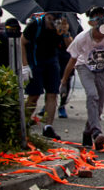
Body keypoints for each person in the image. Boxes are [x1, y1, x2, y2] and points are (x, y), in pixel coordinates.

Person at [61, 6, 104, 150]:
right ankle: (97, 133)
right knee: (92, 95)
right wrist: (64, 81)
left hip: (103, 69)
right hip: (85, 66)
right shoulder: (83, 38)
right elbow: (72, 60)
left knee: (99, 106)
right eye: (97, 19)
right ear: (91, 23)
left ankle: (87, 132)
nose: (101, 22)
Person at [20, 12, 73, 141]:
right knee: (34, 95)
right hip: (35, 61)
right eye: (51, 19)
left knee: (52, 94)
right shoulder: (35, 25)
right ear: (47, 16)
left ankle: (48, 126)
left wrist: (65, 32)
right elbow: (22, 42)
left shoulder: (61, 25)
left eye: (56, 19)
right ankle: (23, 123)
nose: (53, 22)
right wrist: (25, 66)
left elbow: (70, 47)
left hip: (52, 60)